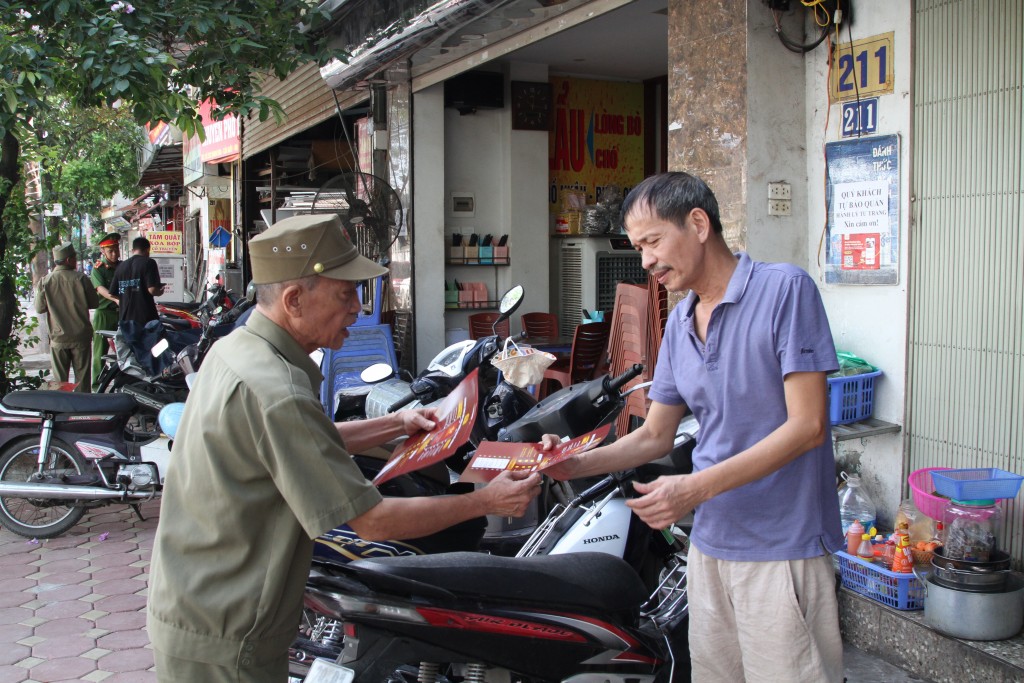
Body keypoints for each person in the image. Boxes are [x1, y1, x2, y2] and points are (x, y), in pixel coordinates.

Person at [146, 213, 541, 683]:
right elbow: (372, 521)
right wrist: (487, 501)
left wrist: (395, 422)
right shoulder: (278, 390)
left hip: (199, 605)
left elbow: (302, 441)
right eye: (345, 293)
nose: (357, 307)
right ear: (294, 300)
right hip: (229, 631)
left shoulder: (238, 351)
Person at [542, 172, 844, 682]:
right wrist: (573, 459)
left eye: (653, 241)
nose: (646, 261)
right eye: (638, 248)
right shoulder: (681, 325)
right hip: (709, 546)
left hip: (781, 549)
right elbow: (655, 435)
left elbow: (808, 425)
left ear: (699, 224)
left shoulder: (784, 291)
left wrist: (694, 488)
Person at [33, 242, 99, 392]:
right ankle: (82, 410)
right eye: (75, 257)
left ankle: (63, 410)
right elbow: (94, 303)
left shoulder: (46, 281)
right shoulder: (81, 279)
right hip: (80, 336)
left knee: (60, 381)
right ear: (69, 260)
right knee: (82, 378)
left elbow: (39, 308)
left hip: (58, 338)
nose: (76, 260)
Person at [109, 236, 165, 375]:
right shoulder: (148, 262)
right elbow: (152, 289)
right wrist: (160, 291)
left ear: (133, 250)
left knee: (131, 354)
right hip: (145, 319)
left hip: (125, 319)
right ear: (147, 250)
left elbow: (112, 293)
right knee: (149, 356)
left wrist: (127, 297)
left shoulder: (121, 266)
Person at [89, 232, 122, 390]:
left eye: (116, 249)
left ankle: (122, 384)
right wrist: (115, 298)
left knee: (123, 350)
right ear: (103, 252)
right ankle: (96, 387)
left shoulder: (122, 266)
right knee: (99, 352)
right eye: (111, 251)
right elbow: (100, 288)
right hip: (104, 314)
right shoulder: (98, 269)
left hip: (121, 313)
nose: (114, 254)